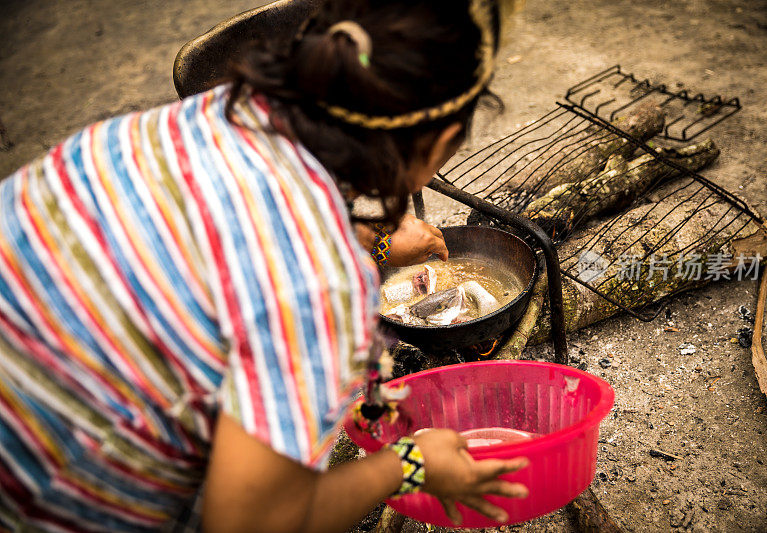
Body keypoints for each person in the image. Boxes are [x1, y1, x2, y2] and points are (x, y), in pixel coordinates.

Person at [0, 0, 530, 531]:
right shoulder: (318, 282)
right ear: (438, 142)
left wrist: (378, 244)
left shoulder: (194, 120)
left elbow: (232, 239)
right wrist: (411, 464)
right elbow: (249, 524)